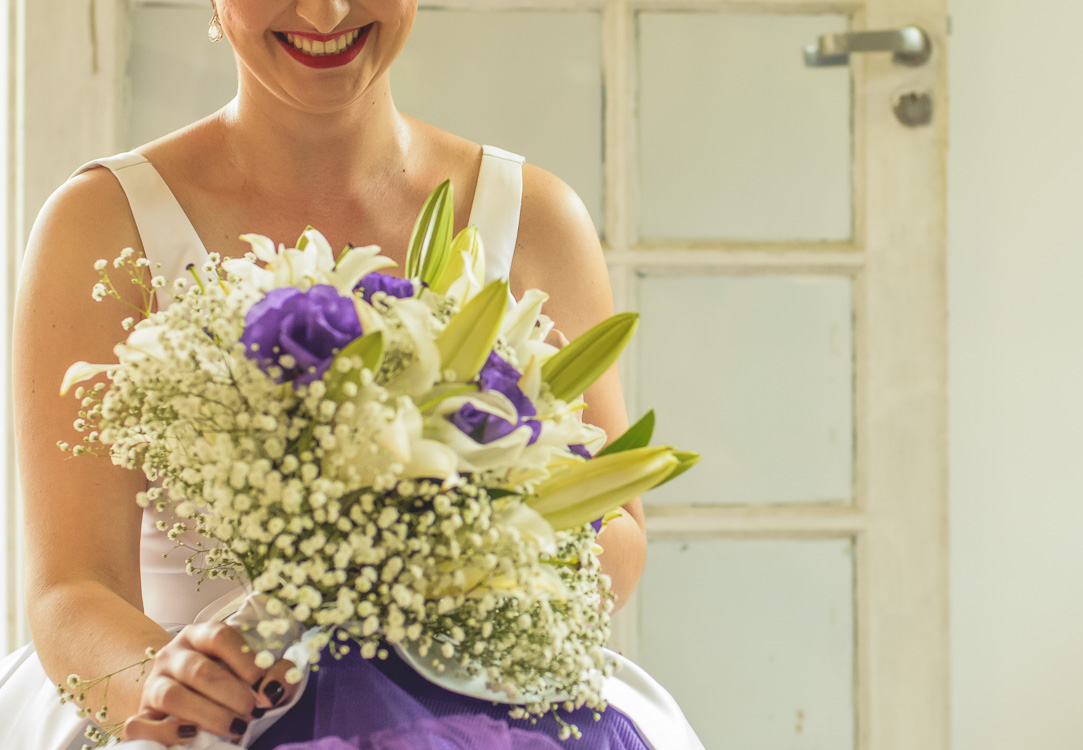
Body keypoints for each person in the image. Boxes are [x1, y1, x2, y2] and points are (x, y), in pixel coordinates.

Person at [2, 1, 703, 748]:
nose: (326, 11)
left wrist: (458, 565)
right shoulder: (100, 222)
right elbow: (72, 587)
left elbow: (617, 527)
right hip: (205, 688)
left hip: (474, 688)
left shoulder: (535, 217)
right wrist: (167, 681)